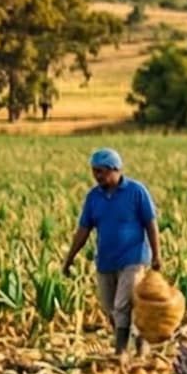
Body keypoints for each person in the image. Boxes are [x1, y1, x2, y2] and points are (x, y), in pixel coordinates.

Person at [60, 147, 159, 356]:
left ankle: (120, 352)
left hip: (133, 259)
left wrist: (157, 255)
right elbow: (84, 230)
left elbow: (151, 224)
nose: (97, 176)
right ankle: (139, 338)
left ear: (115, 170)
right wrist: (69, 258)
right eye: (94, 171)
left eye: (101, 171)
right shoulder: (93, 197)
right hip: (106, 261)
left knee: (122, 304)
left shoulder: (136, 191)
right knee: (110, 308)